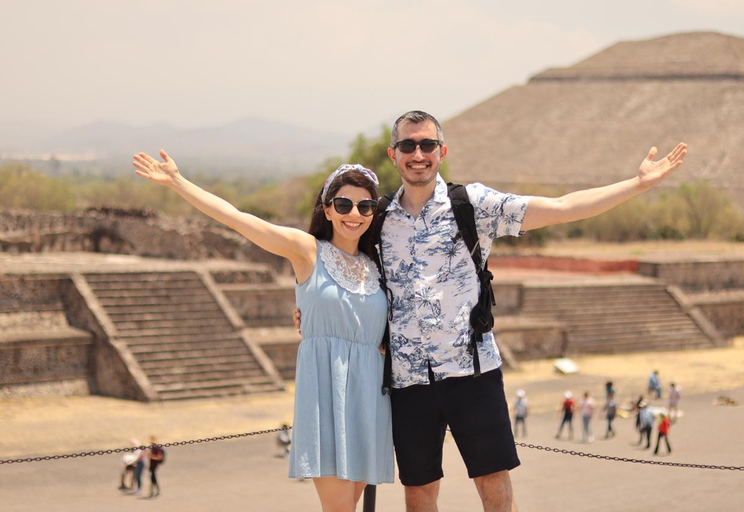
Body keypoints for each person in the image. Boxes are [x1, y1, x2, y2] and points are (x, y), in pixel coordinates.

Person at [299, 110, 687, 511]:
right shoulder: (376, 218)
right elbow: (339, 265)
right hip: (408, 379)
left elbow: (563, 206)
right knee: (418, 494)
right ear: (393, 154)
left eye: (427, 145)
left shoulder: (473, 205)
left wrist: (637, 185)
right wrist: (308, 312)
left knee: (494, 486)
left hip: (473, 372)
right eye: (408, 146)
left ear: (442, 151)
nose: (418, 154)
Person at [133, 153, 393, 511]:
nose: (354, 214)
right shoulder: (306, 251)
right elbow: (237, 219)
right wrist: (178, 181)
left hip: (370, 398)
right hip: (325, 393)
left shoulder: (378, 266)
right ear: (327, 209)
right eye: (344, 203)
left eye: (365, 206)